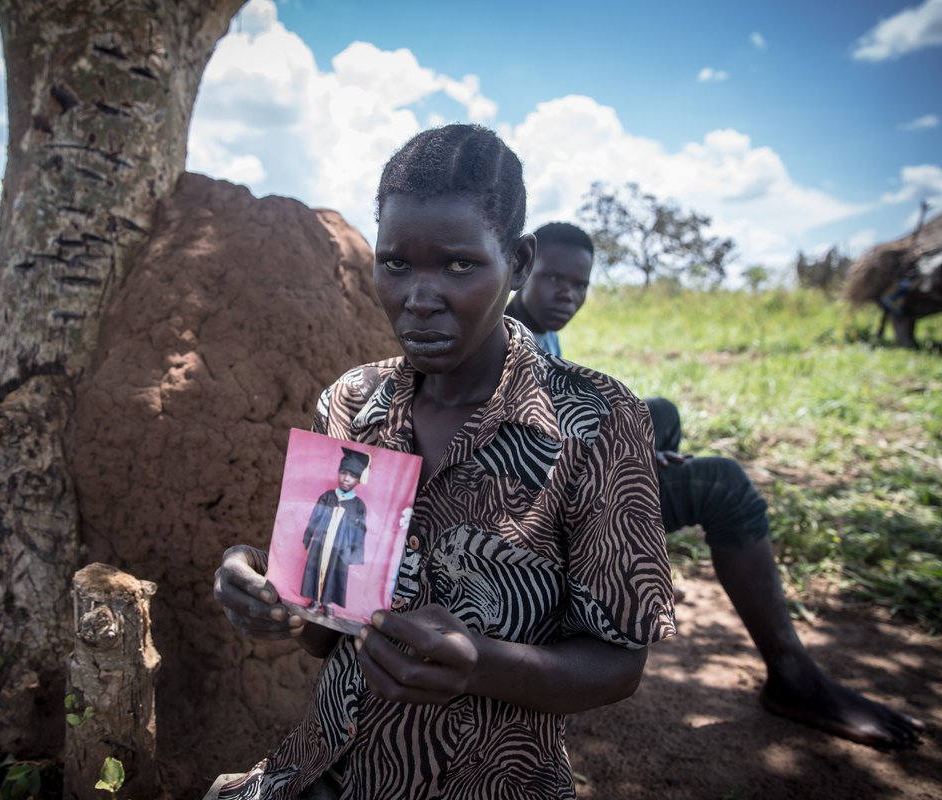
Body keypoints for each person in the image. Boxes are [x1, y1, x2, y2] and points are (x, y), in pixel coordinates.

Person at [211, 125, 675, 800]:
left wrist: (480, 665)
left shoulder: (597, 422)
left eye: (458, 265)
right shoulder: (351, 403)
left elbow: (617, 666)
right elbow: (323, 634)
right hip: (320, 771)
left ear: (516, 260)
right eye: (397, 263)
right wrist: (267, 592)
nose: (420, 296)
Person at [507, 220, 925, 749]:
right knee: (723, 485)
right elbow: (523, 453)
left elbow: (566, 415)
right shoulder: (508, 337)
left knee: (656, 413)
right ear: (522, 270)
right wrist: (625, 465)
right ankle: (791, 674)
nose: (568, 293)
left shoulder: (541, 329)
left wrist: (635, 447)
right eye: (553, 279)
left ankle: (618, 570)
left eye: (580, 284)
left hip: (566, 480)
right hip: (535, 510)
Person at [300, 447, 370, 613]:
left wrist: (355, 552)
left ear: (358, 480)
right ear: (338, 473)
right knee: (317, 568)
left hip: (341, 548)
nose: (346, 479)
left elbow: (361, 531)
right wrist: (308, 536)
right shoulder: (328, 496)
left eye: (352, 476)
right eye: (343, 473)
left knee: (335, 573)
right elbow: (314, 517)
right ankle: (316, 601)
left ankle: (329, 604)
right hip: (321, 543)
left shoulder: (358, 505)